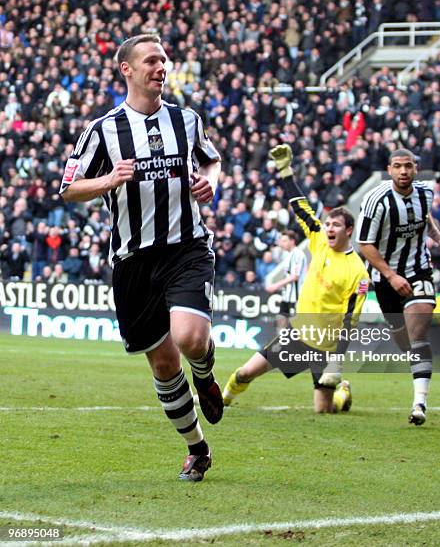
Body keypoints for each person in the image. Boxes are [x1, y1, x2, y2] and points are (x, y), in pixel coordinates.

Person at [60, 34, 223, 482]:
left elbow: (211, 160)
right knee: (165, 363)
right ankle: (197, 447)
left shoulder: (186, 120)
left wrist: (211, 181)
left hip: (186, 247)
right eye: (151, 61)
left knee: (190, 339)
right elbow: (69, 188)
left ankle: (206, 375)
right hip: (133, 261)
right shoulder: (102, 130)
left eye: (165, 60)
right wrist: (109, 179)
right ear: (126, 70)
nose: (161, 67)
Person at [223, 144, 370, 413]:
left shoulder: (358, 271)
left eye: (336, 225)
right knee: (245, 372)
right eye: (327, 224)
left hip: (325, 346)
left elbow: (351, 320)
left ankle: (342, 394)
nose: (329, 228)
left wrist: (337, 362)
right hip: (298, 335)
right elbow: (300, 207)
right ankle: (221, 401)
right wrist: (285, 171)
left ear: (349, 230)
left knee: (323, 410)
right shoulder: (319, 241)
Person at [356, 148, 440, 425]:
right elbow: (365, 244)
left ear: (415, 169)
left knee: (418, 332)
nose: (403, 171)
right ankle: (415, 360)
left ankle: (419, 403)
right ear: (389, 170)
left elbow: (424, 218)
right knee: (404, 339)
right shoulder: (377, 199)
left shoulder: (425, 193)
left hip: (418, 269)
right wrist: (391, 276)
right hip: (384, 276)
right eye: (398, 166)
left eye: (408, 166)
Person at [265, 229, 308, 328]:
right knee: (281, 320)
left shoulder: (298, 254)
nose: (281, 243)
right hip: (287, 295)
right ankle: (282, 342)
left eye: (284, 241)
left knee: (295, 324)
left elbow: (295, 276)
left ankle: (295, 342)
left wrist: (276, 285)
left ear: (292, 241)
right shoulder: (288, 255)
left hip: (295, 297)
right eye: (281, 240)